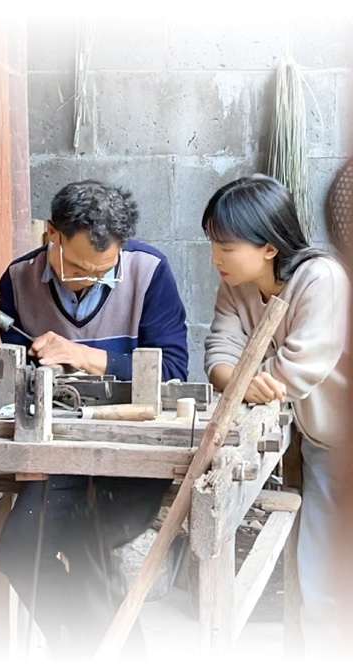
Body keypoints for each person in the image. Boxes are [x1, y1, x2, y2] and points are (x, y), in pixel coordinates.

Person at [0, 179, 188, 659]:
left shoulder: (148, 270)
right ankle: (97, 653)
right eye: (78, 268)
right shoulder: (19, 278)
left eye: (103, 272)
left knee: (88, 544)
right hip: (59, 453)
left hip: (129, 452)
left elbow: (174, 370)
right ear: (52, 236)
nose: (89, 279)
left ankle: (99, 657)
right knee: (19, 551)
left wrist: (83, 355)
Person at [202, 174, 349, 657]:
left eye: (226, 247)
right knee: (320, 579)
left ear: (269, 247)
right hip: (322, 444)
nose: (215, 258)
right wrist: (239, 379)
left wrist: (242, 379)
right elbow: (218, 355)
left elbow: (297, 369)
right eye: (213, 244)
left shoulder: (322, 278)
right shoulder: (237, 285)